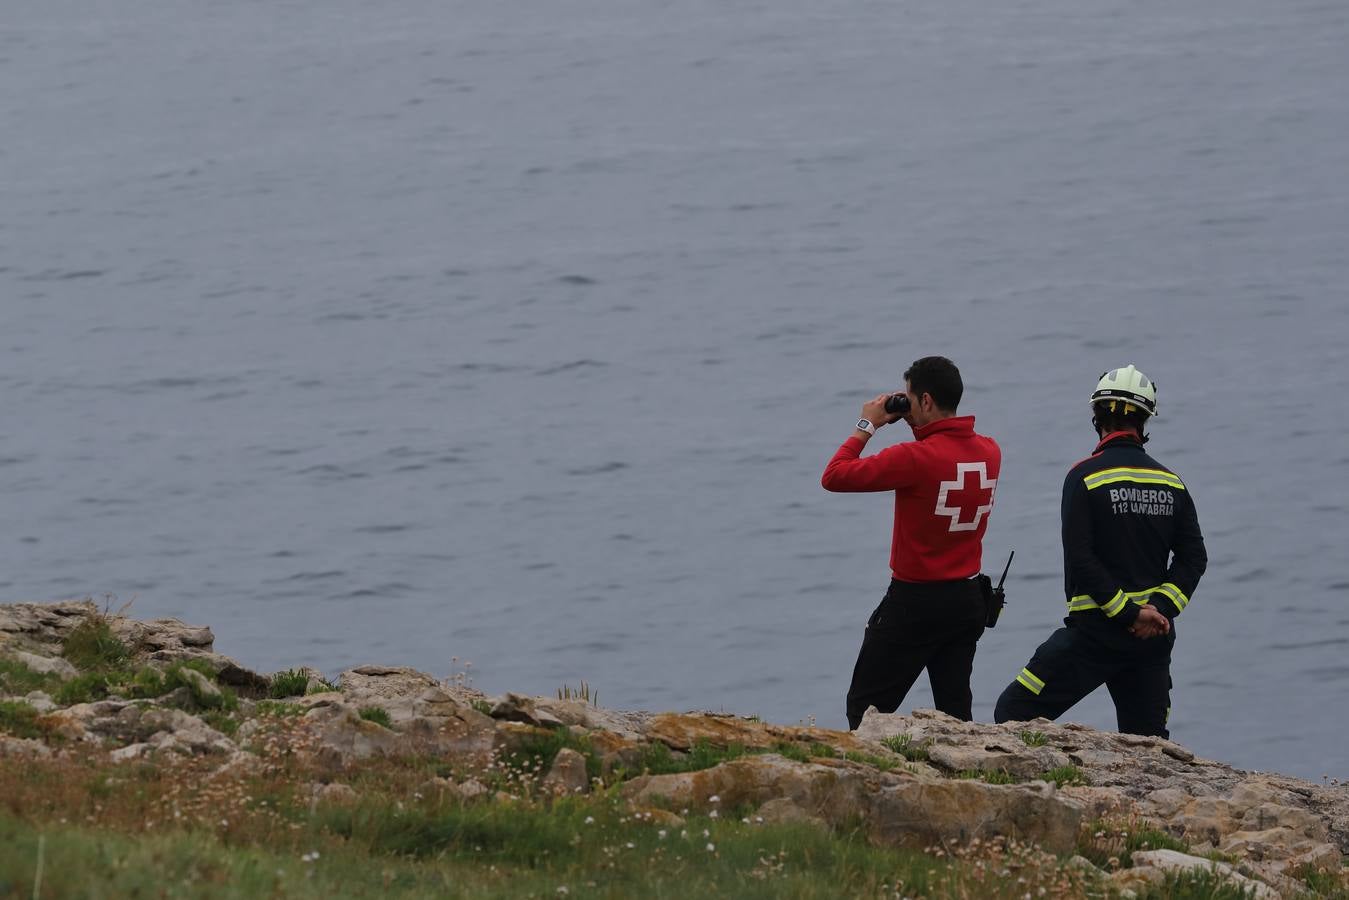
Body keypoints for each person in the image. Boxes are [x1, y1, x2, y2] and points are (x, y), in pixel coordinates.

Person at [994, 364, 1206, 738]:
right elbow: (1193, 559)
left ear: (1097, 417)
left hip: (1094, 633)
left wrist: (1126, 613)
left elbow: (1081, 557)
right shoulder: (1172, 483)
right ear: (1145, 420)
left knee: (1014, 712)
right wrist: (1157, 610)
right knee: (1148, 745)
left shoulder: (1084, 476)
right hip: (1151, 640)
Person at [821, 356, 1002, 729]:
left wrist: (868, 424)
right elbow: (946, 454)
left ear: (926, 401)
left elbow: (835, 475)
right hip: (967, 600)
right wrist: (918, 425)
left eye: (910, 398)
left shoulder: (914, 458)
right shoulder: (990, 450)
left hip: (915, 603)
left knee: (865, 712)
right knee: (956, 714)